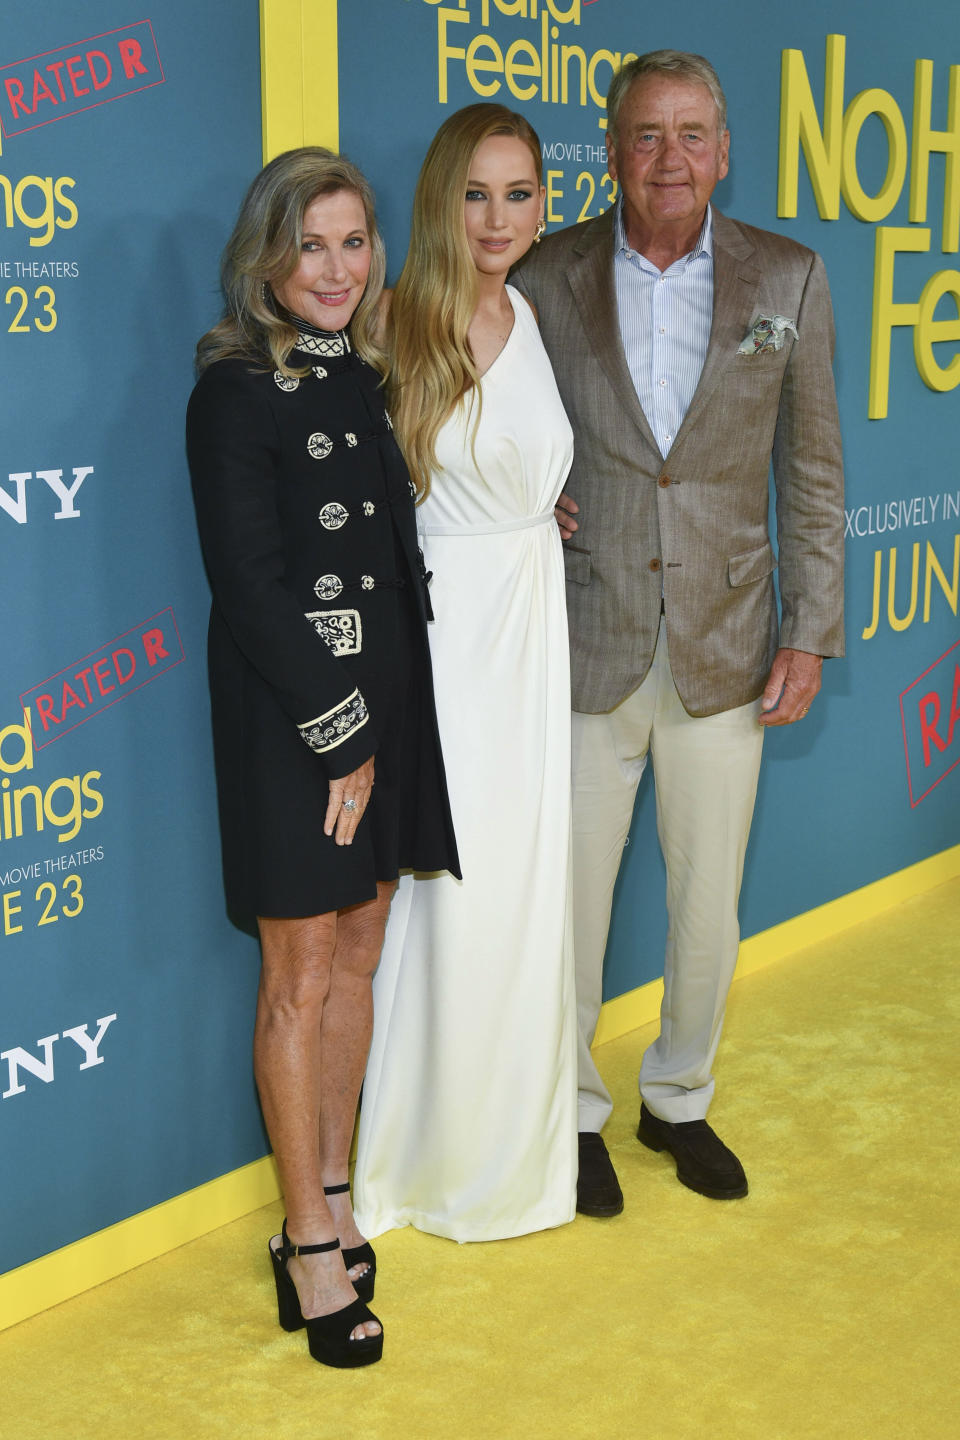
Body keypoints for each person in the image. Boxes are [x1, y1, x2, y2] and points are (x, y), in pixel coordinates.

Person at [513, 50, 844, 1215]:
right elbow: (491, 425)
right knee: (570, 907)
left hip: (726, 645)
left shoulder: (789, 276)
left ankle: (678, 1101)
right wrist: (520, 503)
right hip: (579, 639)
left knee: (710, 902)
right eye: (646, 134)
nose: (669, 158)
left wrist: (810, 628)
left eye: (692, 133)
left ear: (724, 148)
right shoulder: (546, 274)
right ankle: (575, 1114)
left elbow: (811, 470)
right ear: (609, 150)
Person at [186, 148, 459, 1365]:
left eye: (355, 244)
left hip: (385, 695)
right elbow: (247, 584)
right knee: (300, 974)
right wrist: (339, 734)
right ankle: (305, 1245)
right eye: (312, 246)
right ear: (267, 257)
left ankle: (336, 1193)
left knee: (359, 952)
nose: (338, 269)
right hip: (296, 714)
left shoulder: (363, 369)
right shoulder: (233, 391)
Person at [352, 104, 578, 1241]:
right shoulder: (394, 319)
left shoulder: (533, 313)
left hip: (533, 625)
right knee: (446, 897)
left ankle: (516, 1156)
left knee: (523, 891)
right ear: (444, 196)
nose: (498, 218)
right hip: (442, 639)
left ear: (545, 203)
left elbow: (519, 462)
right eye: (477, 193)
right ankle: (420, 1164)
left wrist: (546, 504)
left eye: (521, 193)